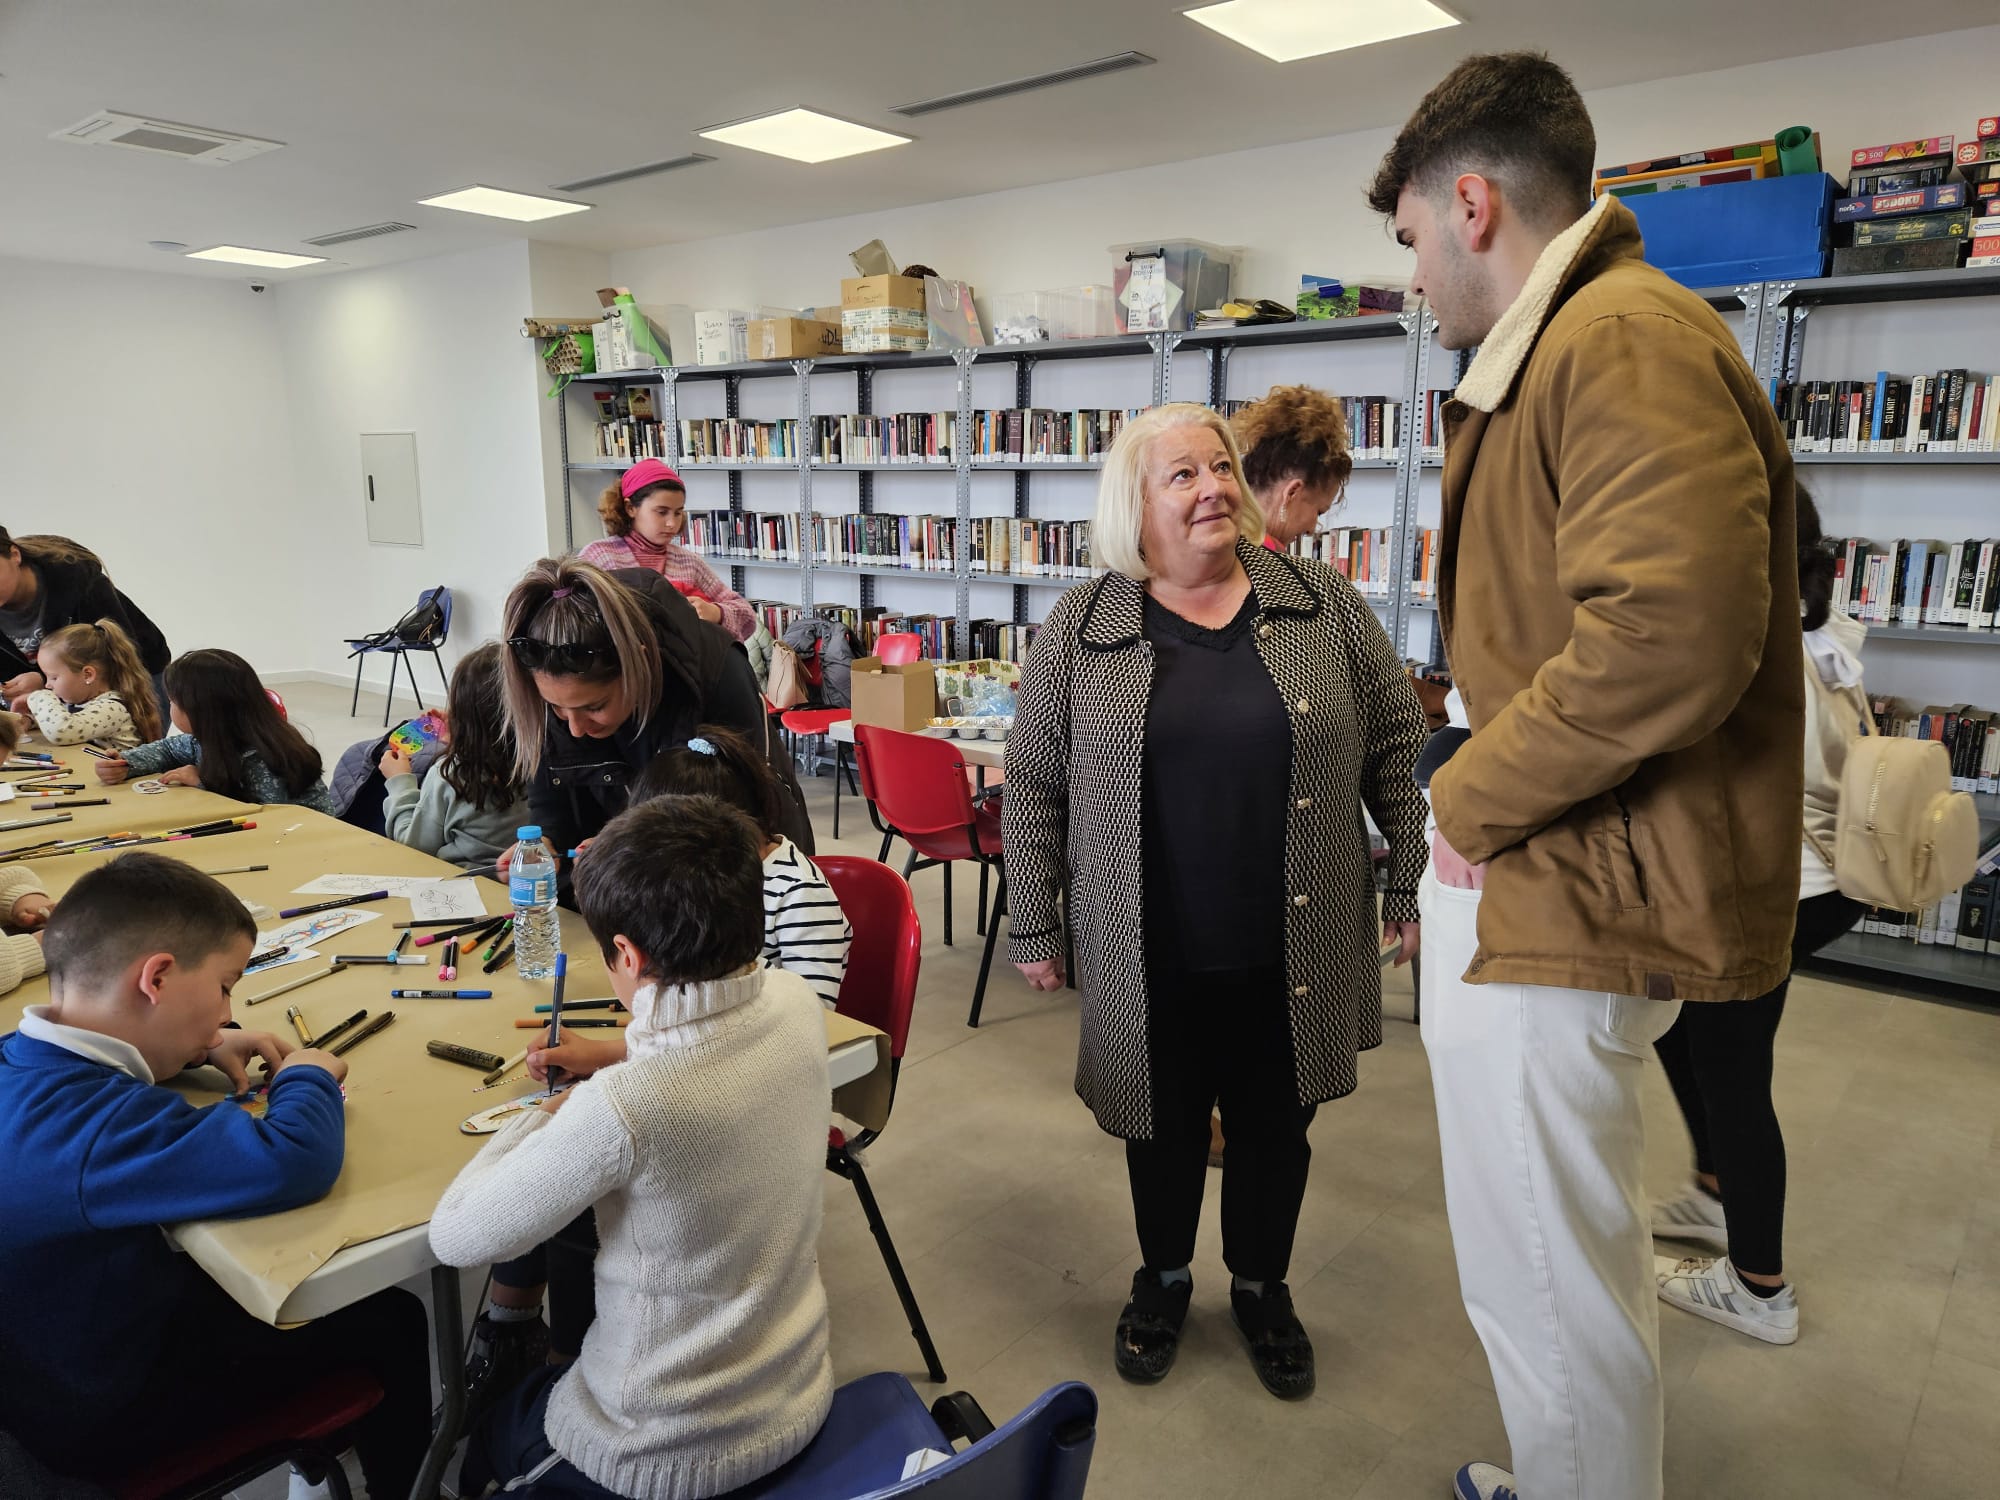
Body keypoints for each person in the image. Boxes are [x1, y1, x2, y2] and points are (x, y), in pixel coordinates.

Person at [1369, 52, 1804, 1500]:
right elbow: (1773, 559)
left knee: (1545, 1269)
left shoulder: (1613, 338)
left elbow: (1676, 629)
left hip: (1563, 871)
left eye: (1414, 240)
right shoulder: (1597, 340)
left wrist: (1469, 795)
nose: (1416, 277)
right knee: (1558, 1245)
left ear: (1472, 204)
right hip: (1567, 857)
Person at [1004, 402, 1428, 1400]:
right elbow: (1031, 780)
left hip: (1296, 934)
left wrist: (1405, 875)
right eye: (1180, 475)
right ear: (1135, 502)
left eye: (1219, 468)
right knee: (1158, 1123)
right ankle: (1158, 1280)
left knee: (1277, 1128)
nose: (1210, 489)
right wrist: (1033, 916)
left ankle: (1261, 1287)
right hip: (1142, 939)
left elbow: (1394, 743)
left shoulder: (1317, 601)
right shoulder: (1084, 619)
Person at [433, 796, 835, 1500]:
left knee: (483, 1443)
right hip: (797, 1392)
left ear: (625, 954)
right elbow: (709, 1043)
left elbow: (458, 1237)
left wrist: (549, 1113)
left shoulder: (626, 1107)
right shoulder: (797, 1000)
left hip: (661, 1449)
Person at [0, 854, 433, 1496]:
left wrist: (199, 1046)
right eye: (227, 986)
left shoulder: (20, 1055)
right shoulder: (94, 1132)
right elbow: (292, 1158)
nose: (229, 1008)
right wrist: (306, 1075)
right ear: (158, 978)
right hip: (99, 1410)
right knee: (390, 1321)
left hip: (42, 1354)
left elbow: (91, 1079)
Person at [1650, 485, 1865, 1346]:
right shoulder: (1827, 642)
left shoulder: (1760, 657)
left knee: (1736, 1074)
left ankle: (1759, 1287)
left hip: (1780, 893)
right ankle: (1711, 1191)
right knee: (1678, 1025)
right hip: (1822, 885)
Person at [498, 556, 810, 867]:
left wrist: (630, 846)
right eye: (557, 709)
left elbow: (740, 819)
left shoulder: (716, 672)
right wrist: (549, 841)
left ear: (640, 664)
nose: (575, 727)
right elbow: (553, 789)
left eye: (594, 707)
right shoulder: (550, 677)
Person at [632, 728, 852, 1007]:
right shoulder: (698, 875)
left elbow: (815, 1008)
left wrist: (710, 954)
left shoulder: (800, 894)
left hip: (769, 1036)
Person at [93, 648, 334, 812]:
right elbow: (167, 749)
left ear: (201, 711)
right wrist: (127, 764)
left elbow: (268, 815)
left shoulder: (266, 758)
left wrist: (202, 783)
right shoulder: (205, 740)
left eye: (173, 702)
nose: (170, 707)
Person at [380, 642, 529, 870]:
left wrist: (399, 783)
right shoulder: (542, 764)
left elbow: (414, 848)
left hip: (462, 884)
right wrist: (462, 731)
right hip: (529, 882)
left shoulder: (449, 775)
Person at [578, 459, 759, 642]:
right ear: (630, 508)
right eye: (661, 512)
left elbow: (747, 616)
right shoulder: (598, 558)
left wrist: (716, 612)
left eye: (678, 512)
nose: (672, 523)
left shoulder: (689, 563)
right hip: (621, 667)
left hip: (684, 668)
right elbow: (573, 618)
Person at [0, 529, 171, 703]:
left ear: (15, 555)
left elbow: (118, 658)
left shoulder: (79, 582)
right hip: (60, 693)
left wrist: (44, 681)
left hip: (137, 677)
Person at [1229, 385, 1354, 551]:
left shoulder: (1220, 539)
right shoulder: (1271, 564)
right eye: (1319, 512)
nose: (1312, 529)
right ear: (1292, 492)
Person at [17, 618, 162, 750]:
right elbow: (64, 715)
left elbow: (61, 731)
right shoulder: (81, 701)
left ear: (88, 674)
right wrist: (30, 719)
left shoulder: (111, 708)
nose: (48, 685)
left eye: (54, 678)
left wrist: (38, 697)